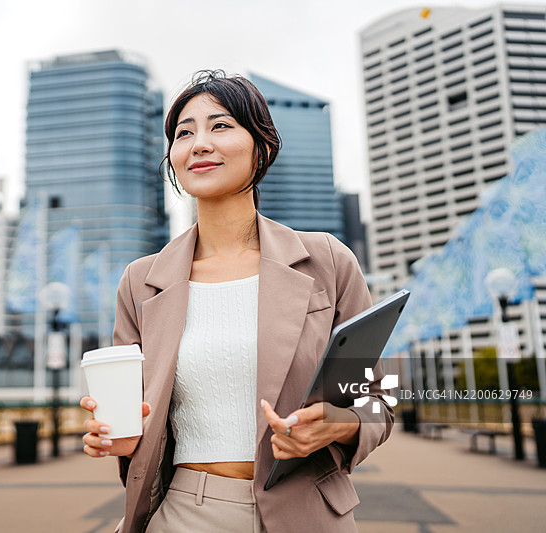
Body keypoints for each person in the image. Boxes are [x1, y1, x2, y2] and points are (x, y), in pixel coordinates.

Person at [80, 71, 393, 533]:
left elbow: (379, 400)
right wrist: (118, 437)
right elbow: (132, 421)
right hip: (187, 511)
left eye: (220, 126)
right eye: (184, 133)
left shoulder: (326, 261)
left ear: (261, 147)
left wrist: (340, 424)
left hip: (307, 511)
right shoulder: (142, 281)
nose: (199, 143)